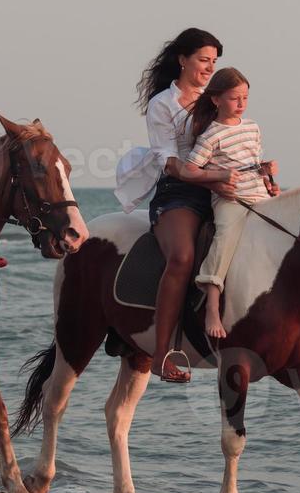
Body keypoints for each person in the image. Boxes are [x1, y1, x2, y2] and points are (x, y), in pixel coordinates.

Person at [114, 29, 238, 383]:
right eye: (203, 60)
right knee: (182, 257)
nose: (208, 68)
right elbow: (168, 161)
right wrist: (207, 175)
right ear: (182, 59)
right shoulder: (162, 105)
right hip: (178, 192)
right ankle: (161, 353)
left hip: (219, 187)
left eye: (214, 62)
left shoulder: (216, 98)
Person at [182, 69, 279, 339]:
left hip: (260, 196)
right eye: (235, 98)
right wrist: (219, 175)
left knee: (293, 233)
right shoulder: (212, 135)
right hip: (231, 200)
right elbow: (189, 170)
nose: (241, 104)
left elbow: (254, 164)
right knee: (224, 239)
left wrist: (267, 172)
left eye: (245, 98)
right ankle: (212, 306)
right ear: (216, 100)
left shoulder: (252, 127)